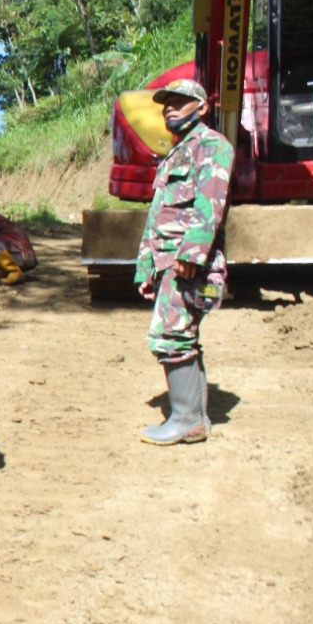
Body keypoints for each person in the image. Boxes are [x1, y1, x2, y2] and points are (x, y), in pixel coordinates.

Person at [135, 79, 232, 445]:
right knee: (180, 334)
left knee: (170, 335)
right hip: (170, 264)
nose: (169, 108)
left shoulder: (211, 146)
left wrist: (193, 253)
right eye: (166, 104)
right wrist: (146, 266)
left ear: (202, 107)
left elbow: (212, 202)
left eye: (179, 101)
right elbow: (158, 215)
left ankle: (187, 420)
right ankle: (193, 417)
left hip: (191, 265)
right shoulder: (176, 154)